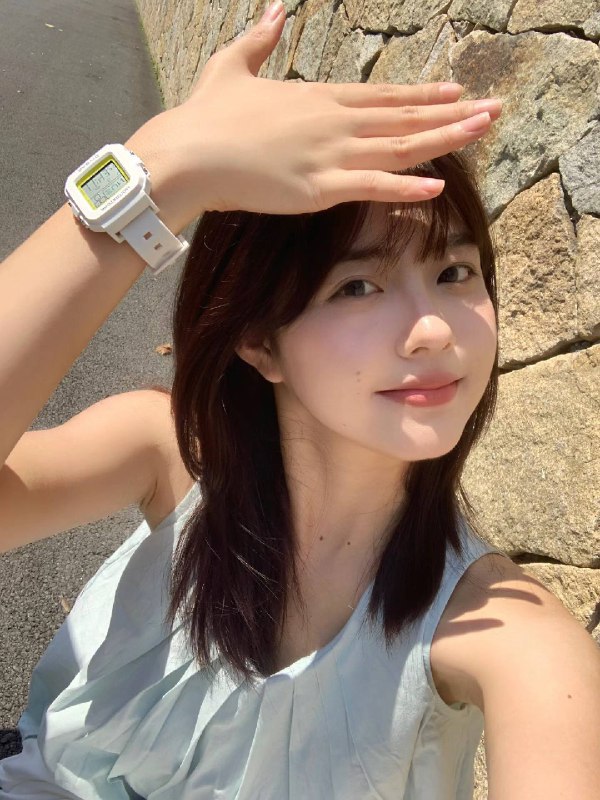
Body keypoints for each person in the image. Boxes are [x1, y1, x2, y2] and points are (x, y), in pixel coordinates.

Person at [1, 2, 599, 798]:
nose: (431, 328)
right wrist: (162, 165)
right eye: (357, 285)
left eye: (455, 272)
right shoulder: (168, 456)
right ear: (259, 340)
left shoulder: (509, 637)